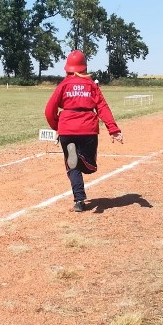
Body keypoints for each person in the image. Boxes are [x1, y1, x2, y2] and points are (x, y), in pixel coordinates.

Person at [45, 50, 123, 212]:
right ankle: (81, 161)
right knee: (90, 166)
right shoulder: (91, 85)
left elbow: (49, 109)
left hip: (67, 129)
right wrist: (113, 129)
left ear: (68, 68)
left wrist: (57, 126)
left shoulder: (63, 85)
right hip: (88, 130)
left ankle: (79, 200)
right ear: (84, 67)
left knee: (72, 167)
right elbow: (102, 107)